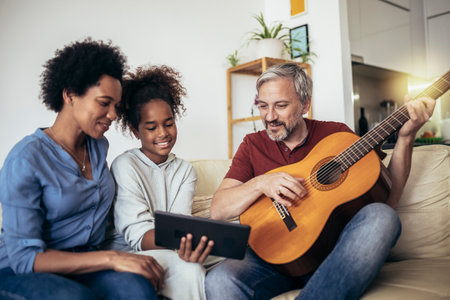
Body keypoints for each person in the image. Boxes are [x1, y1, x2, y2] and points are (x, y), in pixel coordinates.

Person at [205, 63, 436, 300]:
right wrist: (261, 183)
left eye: (281, 106)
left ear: (305, 104)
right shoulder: (252, 144)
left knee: (384, 216)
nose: (270, 116)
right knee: (220, 279)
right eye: (263, 106)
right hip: (273, 261)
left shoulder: (337, 137)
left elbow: (388, 199)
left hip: (335, 257)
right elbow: (218, 210)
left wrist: (406, 138)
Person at [0, 38, 163, 300]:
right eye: (104, 102)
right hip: (22, 271)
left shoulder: (98, 147)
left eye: (116, 106)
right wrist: (112, 258)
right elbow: (25, 258)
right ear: (70, 95)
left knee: (138, 289)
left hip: (85, 263)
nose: (112, 114)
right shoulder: (25, 159)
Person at [101, 65, 214, 300]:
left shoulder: (185, 170)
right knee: (189, 269)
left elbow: (179, 224)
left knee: (199, 264)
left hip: (168, 250)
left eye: (169, 123)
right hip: (130, 252)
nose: (162, 133)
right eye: (151, 127)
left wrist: (187, 243)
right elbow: (136, 234)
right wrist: (181, 241)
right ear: (135, 130)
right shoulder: (125, 165)